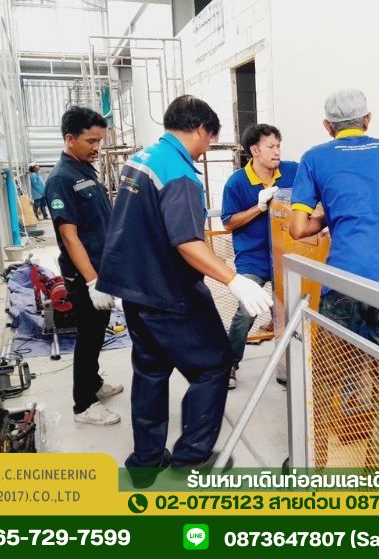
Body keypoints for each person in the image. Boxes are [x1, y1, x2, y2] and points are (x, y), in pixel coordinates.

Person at [97, 95, 272, 487]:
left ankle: (145, 462)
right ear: (200, 129)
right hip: (169, 290)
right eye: (209, 139)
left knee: (151, 370)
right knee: (214, 365)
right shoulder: (179, 174)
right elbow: (187, 242)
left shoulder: (141, 159)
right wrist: (234, 280)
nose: (206, 147)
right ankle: (191, 461)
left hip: (135, 289)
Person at [289, 88, 379, 467]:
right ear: (368, 120)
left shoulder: (314, 158)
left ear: (328, 126)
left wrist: (330, 215)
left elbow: (297, 229)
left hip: (343, 279)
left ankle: (314, 459)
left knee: (328, 373)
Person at [44, 107, 123, 426]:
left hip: (101, 269)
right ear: (69, 139)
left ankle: (94, 382)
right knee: (88, 337)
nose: (96, 148)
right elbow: (69, 236)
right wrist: (91, 282)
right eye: (91, 141)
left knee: (98, 331)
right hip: (84, 275)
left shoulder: (85, 171)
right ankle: (84, 405)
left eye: (99, 141)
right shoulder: (60, 179)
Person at [221, 124, 299, 389]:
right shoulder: (237, 182)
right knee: (247, 311)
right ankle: (229, 364)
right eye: (271, 146)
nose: (277, 151)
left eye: (278, 146)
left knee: (286, 312)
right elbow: (228, 222)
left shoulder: (292, 171)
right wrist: (258, 206)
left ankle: (285, 368)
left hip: (285, 255)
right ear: (254, 150)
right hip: (252, 258)